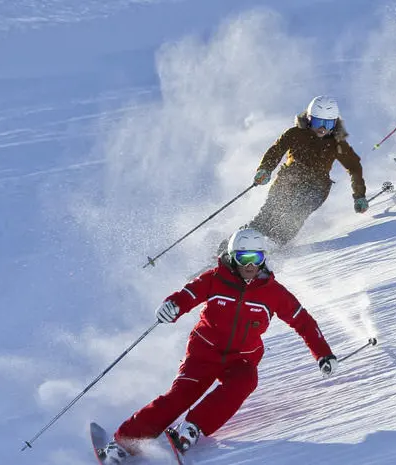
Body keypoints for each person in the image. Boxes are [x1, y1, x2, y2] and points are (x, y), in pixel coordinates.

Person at [99, 229, 338, 464]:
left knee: (245, 381)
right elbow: (187, 295)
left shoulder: (273, 292)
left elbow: (303, 322)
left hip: (241, 359)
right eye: (244, 258)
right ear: (233, 257)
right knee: (181, 395)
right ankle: (121, 444)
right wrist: (172, 306)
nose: (250, 265)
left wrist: (323, 354)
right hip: (204, 352)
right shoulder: (214, 279)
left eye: (257, 258)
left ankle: (191, 430)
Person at [243, 95, 368, 248]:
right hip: (287, 180)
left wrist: (359, 196)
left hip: (316, 188)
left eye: (327, 123)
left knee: (296, 213)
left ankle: (273, 243)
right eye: (318, 122)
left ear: (335, 123)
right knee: (268, 214)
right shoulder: (295, 133)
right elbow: (276, 151)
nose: (322, 128)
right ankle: (238, 244)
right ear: (309, 119)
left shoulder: (337, 143)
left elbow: (354, 167)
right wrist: (265, 169)